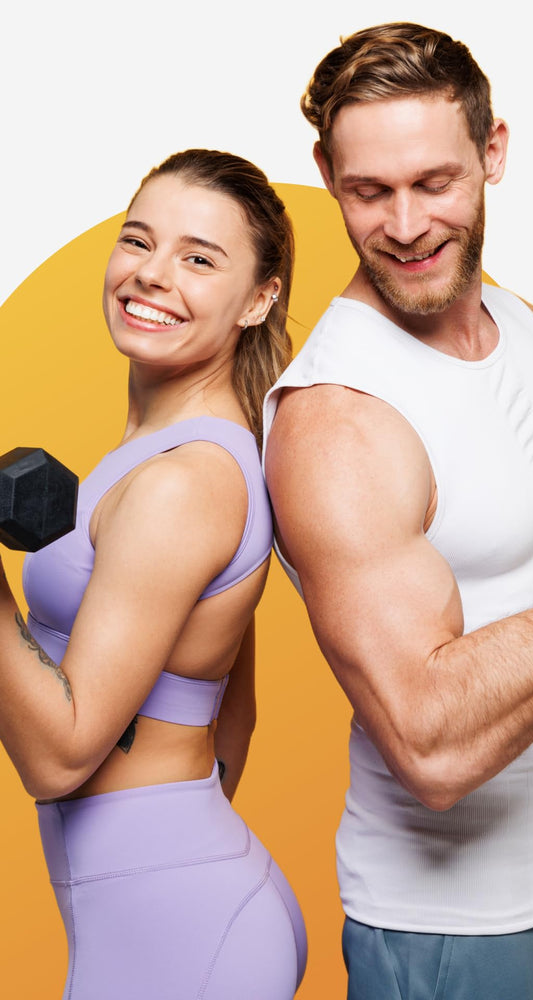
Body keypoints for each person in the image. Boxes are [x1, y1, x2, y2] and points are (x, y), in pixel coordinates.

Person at [263, 23, 533, 1000]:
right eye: (369, 191)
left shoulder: (522, 327)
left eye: (435, 181)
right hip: (449, 936)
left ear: (492, 152)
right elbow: (431, 749)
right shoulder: (340, 423)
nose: (407, 224)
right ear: (327, 173)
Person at [0, 149, 307, 999]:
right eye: (139, 241)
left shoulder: (184, 483)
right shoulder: (162, 455)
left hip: (177, 924)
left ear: (259, 298)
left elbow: (59, 760)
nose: (151, 275)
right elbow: (233, 711)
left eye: (198, 258)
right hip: (167, 906)